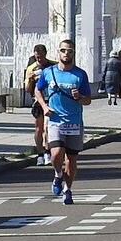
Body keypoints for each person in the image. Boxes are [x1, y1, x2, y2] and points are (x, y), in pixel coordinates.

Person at [34, 39, 92, 205]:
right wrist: (44, 106)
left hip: (74, 121)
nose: (66, 54)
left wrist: (79, 97)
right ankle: (58, 174)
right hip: (55, 120)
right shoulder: (49, 72)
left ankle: (68, 189)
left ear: (73, 53)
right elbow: (38, 89)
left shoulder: (80, 74)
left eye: (70, 51)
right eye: (63, 50)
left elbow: (88, 100)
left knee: (71, 160)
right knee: (56, 153)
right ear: (58, 52)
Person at [24, 44, 54, 165]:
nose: (39, 60)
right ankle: (40, 154)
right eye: (37, 57)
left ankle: (47, 152)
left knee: (47, 127)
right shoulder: (31, 68)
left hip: (50, 100)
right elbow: (27, 89)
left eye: (41, 57)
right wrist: (30, 80)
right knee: (38, 128)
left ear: (45, 54)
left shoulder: (53, 65)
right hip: (37, 101)